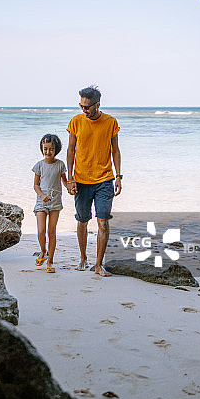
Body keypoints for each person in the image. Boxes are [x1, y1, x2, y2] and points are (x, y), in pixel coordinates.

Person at [66, 85, 122, 276]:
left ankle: (98, 265)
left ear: (97, 105)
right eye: (81, 106)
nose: (83, 110)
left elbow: (115, 150)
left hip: (105, 179)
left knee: (103, 222)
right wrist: (70, 179)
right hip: (81, 180)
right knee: (82, 221)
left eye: (87, 107)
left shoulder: (111, 122)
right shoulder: (76, 121)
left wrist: (119, 176)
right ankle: (83, 258)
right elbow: (70, 151)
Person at [32, 133, 68, 273]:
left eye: (51, 149)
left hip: (55, 201)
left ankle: (51, 261)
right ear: (42, 149)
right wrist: (42, 195)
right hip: (41, 201)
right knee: (41, 230)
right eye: (45, 149)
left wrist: (70, 187)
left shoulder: (60, 165)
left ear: (56, 149)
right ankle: (43, 251)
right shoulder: (39, 165)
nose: (48, 152)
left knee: (51, 231)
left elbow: (64, 181)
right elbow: (36, 185)